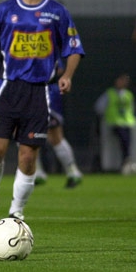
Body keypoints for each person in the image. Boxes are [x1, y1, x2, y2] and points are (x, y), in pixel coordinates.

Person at [0, 0, 84, 224]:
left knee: (28, 155)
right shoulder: (4, 10)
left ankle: (16, 212)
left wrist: (67, 75)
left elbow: (74, 48)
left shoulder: (57, 12)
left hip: (40, 92)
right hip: (7, 89)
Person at [34, 60, 83, 188]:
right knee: (28, 133)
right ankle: (37, 171)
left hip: (45, 93)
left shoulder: (45, 46)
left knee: (53, 135)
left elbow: (59, 69)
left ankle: (71, 171)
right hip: (37, 93)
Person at [94, 73, 134, 173]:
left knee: (127, 142)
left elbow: (131, 109)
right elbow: (99, 107)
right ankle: (126, 160)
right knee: (124, 139)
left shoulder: (128, 95)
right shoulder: (110, 93)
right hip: (114, 123)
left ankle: (127, 161)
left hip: (128, 123)